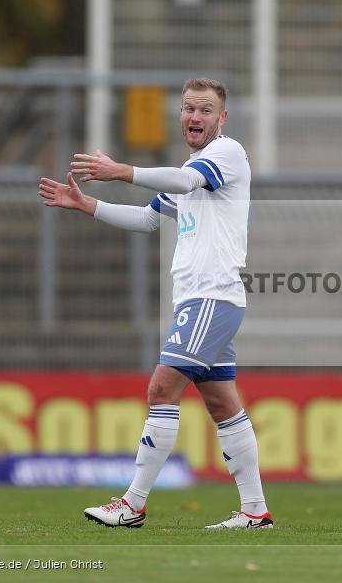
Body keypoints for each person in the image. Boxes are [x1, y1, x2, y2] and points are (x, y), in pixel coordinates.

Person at [38, 78, 273, 530]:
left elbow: (186, 181)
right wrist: (88, 205)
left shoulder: (227, 153)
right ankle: (254, 511)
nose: (195, 117)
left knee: (161, 390)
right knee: (223, 405)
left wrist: (123, 171)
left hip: (211, 296)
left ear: (222, 118)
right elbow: (148, 218)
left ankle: (133, 504)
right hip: (201, 300)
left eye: (205, 110)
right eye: (188, 108)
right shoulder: (192, 166)